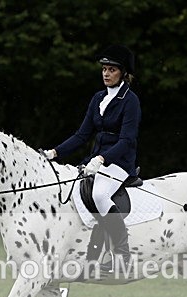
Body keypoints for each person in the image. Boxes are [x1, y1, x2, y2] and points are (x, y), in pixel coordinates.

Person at [44, 44, 140, 275]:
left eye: (112, 70)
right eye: (104, 69)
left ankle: (122, 252)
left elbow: (127, 140)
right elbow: (82, 135)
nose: (106, 73)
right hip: (96, 160)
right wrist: (54, 153)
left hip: (120, 161)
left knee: (99, 194)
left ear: (123, 73)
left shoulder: (131, 101)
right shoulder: (98, 98)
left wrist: (101, 158)